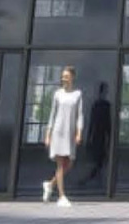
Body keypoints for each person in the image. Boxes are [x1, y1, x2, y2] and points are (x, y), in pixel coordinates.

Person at [42, 66, 83, 208]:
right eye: (62, 76)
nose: (63, 79)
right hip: (58, 132)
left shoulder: (77, 94)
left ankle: (50, 184)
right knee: (60, 165)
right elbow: (52, 115)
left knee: (69, 163)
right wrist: (48, 135)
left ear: (72, 77)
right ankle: (61, 196)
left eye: (66, 76)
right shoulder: (57, 94)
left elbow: (80, 115)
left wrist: (79, 132)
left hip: (70, 133)